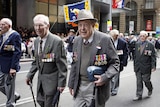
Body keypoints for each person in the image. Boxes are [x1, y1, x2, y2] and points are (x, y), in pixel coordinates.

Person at [68, 9, 120, 107]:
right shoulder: (77, 41)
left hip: (96, 86)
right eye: (80, 25)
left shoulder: (105, 39)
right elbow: (74, 64)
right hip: (79, 85)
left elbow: (115, 63)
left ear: (93, 25)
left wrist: (104, 77)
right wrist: (71, 84)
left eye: (86, 24)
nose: (82, 28)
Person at [26, 14, 67, 107]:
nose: (37, 28)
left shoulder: (56, 41)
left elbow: (62, 65)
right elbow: (36, 61)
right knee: (40, 102)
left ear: (47, 26)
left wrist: (62, 83)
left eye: (40, 25)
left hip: (52, 82)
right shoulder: (36, 41)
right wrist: (30, 75)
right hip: (41, 82)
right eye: (35, 25)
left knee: (50, 105)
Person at [0, 18, 21, 107]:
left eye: (3, 24)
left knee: (9, 85)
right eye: (0, 24)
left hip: (9, 65)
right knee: (1, 84)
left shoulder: (14, 35)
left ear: (9, 26)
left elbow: (17, 52)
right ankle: (14, 96)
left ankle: (10, 103)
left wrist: (13, 67)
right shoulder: (1, 35)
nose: (1, 26)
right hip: (1, 64)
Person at [133, 30, 156, 101]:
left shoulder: (150, 45)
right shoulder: (137, 44)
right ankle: (138, 95)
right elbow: (135, 56)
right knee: (139, 81)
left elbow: (153, 57)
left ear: (146, 36)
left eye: (143, 36)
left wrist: (153, 66)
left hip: (146, 66)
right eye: (141, 36)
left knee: (146, 80)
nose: (142, 37)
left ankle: (150, 88)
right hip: (138, 66)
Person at [110, 29, 128, 96]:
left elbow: (126, 53)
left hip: (118, 62)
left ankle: (115, 89)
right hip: (110, 62)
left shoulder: (123, 43)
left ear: (116, 36)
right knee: (110, 76)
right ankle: (111, 88)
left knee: (116, 77)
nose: (112, 37)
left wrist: (124, 62)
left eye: (113, 36)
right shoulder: (109, 41)